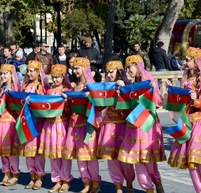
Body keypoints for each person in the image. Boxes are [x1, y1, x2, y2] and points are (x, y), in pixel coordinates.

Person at [166, 47, 201, 193]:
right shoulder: (186, 79)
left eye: (187, 59)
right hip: (190, 123)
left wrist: (196, 101)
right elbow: (182, 101)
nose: (184, 62)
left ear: (196, 62)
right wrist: (172, 90)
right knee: (192, 163)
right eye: (184, 59)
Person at [117, 55, 166, 193]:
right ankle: (148, 188)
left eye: (129, 67)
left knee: (148, 159)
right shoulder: (134, 82)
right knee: (136, 160)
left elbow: (158, 102)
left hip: (147, 124)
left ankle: (157, 182)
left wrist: (151, 91)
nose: (128, 71)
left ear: (138, 65)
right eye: (126, 68)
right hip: (134, 124)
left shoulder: (148, 80)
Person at [63, 57, 101, 193]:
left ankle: (95, 183)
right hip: (75, 123)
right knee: (80, 155)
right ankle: (86, 183)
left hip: (88, 123)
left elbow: (99, 104)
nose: (75, 71)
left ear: (85, 69)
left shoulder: (91, 86)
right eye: (74, 68)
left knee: (90, 155)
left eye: (77, 68)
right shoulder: (75, 85)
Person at [97, 60, 134, 193]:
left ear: (119, 72)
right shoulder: (106, 86)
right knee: (111, 158)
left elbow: (132, 104)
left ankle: (129, 184)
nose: (109, 74)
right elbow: (100, 106)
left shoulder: (126, 85)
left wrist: (123, 89)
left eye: (111, 72)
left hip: (124, 124)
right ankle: (118, 186)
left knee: (125, 157)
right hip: (109, 124)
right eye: (107, 72)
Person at [38, 64, 73, 193]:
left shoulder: (68, 90)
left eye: (58, 77)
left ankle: (65, 180)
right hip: (50, 124)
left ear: (63, 77)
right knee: (53, 154)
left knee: (63, 154)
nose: (56, 80)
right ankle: (57, 180)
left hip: (62, 124)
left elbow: (71, 109)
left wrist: (67, 100)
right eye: (53, 77)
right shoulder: (49, 91)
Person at [17, 60, 49, 190]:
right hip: (26, 121)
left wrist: (34, 100)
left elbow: (45, 104)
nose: (29, 73)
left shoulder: (41, 88)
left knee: (37, 152)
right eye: (28, 71)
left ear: (38, 72)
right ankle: (32, 176)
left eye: (32, 71)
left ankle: (40, 177)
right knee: (28, 151)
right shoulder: (24, 86)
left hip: (37, 122)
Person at [0, 64, 21, 186]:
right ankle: (6, 173)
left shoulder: (15, 88)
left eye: (5, 73)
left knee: (11, 150)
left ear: (11, 74)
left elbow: (17, 105)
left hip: (10, 121)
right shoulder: (1, 87)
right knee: (3, 150)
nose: (2, 76)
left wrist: (10, 96)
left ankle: (15, 173)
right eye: (1, 73)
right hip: (0, 120)